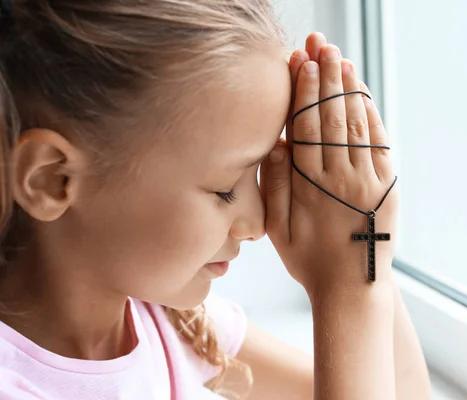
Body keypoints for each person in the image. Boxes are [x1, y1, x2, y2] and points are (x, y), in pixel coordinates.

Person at [0, 1, 430, 399]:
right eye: (225, 188)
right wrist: (348, 284)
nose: (258, 223)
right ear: (53, 180)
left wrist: (362, 238)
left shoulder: (169, 323)